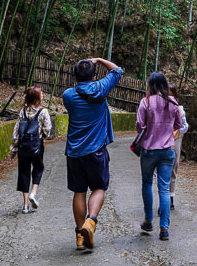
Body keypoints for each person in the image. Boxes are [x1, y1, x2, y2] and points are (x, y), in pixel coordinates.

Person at [61, 56, 123, 250]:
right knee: (99, 188)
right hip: (96, 151)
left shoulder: (68, 95)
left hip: (74, 153)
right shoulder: (100, 88)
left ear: (75, 76)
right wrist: (99, 59)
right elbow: (118, 71)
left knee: (79, 191)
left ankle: (80, 236)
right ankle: (91, 222)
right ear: (94, 75)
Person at [136, 71, 181, 241]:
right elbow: (178, 124)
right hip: (168, 150)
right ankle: (164, 229)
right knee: (164, 188)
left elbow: (139, 125)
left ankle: (148, 221)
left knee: (147, 183)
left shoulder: (145, 102)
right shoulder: (172, 102)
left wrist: (148, 133)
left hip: (148, 150)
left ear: (150, 85)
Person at [10, 86, 53, 214]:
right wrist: (42, 136)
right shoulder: (43, 112)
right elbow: (47, 129)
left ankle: (25, 205)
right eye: (41, 94)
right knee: (38, 168)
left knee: (24, 172)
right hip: (36, 146)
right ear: (37, 98)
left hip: (23, 147)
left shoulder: (22, 111)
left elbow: (16, 131)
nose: (43, 95)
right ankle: (33, 193)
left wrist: (14, 147)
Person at [168, 83, 189, 209]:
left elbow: (185, 127)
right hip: (161, 142)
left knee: (173, 168)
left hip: (175, 140)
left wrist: (176, 130)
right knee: (161, 170)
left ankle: (171, 197)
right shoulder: (159, 106)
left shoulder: (179, 109)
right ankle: (164, 197)